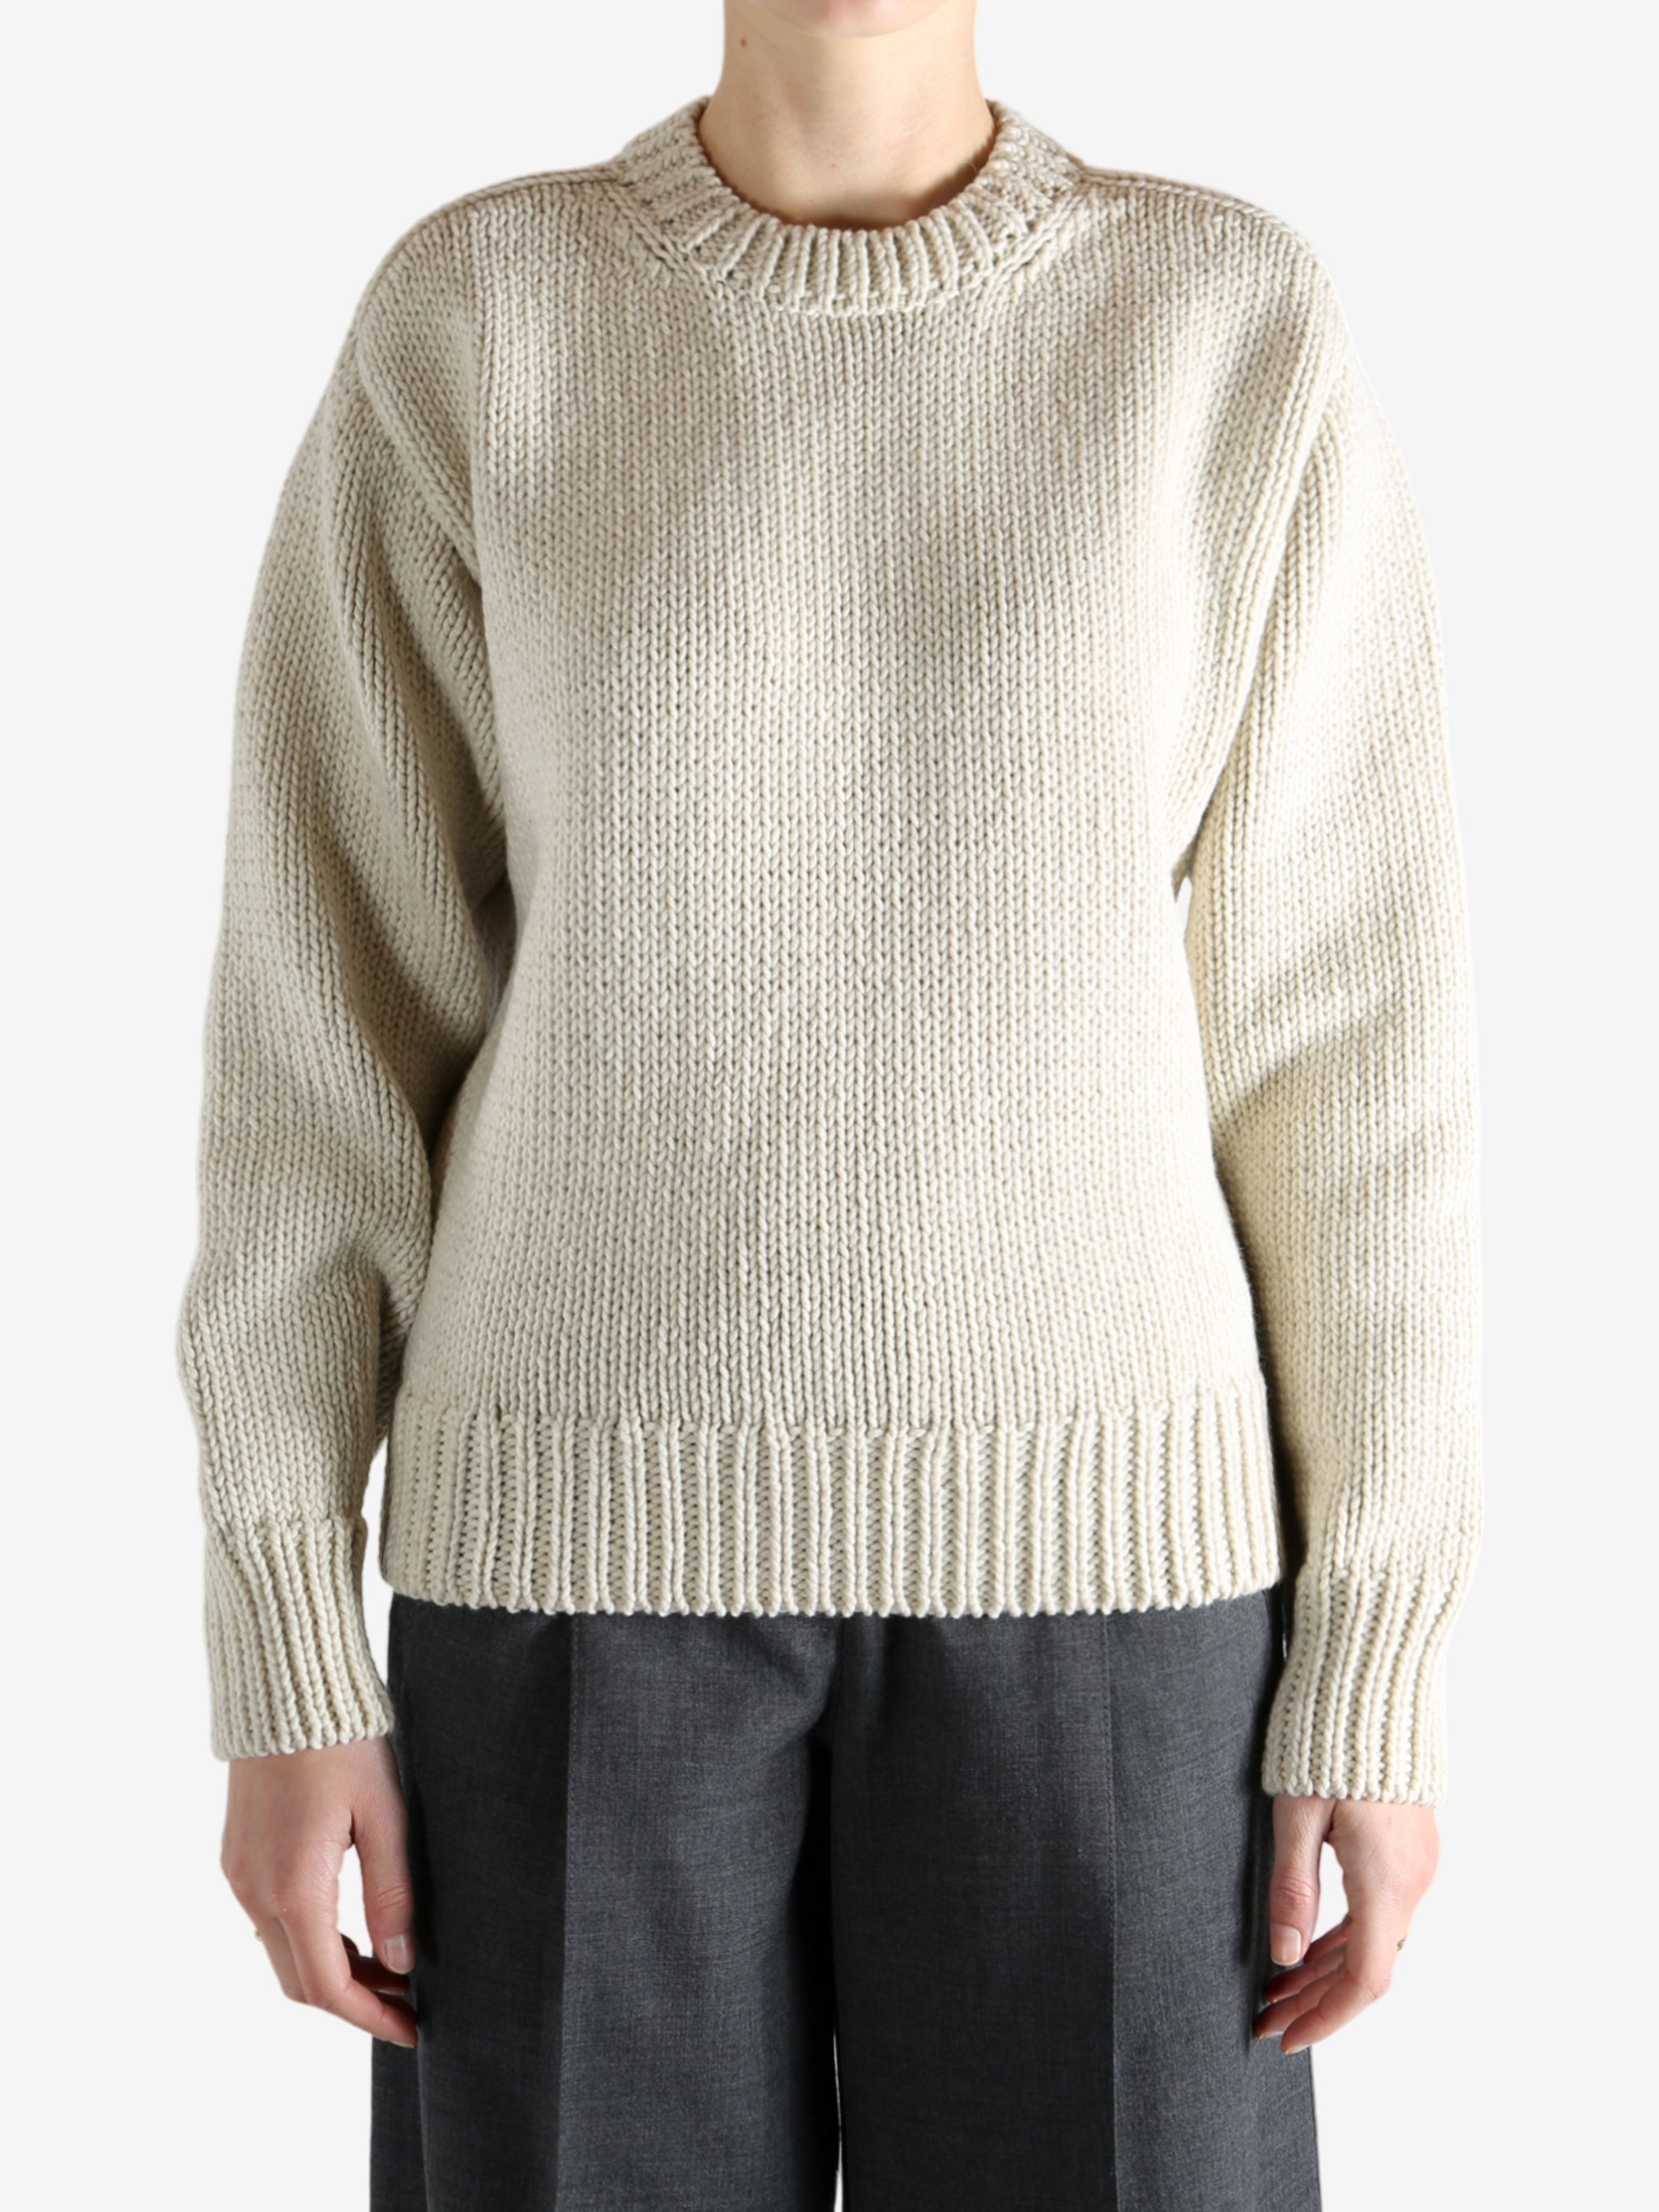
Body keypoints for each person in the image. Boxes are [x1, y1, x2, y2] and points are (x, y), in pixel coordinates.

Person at [175, 3, 1483, 2206]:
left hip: (1118, 1571)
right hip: (570, 1563)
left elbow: (1349, 1050)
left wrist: (1379, 1647)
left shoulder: (1222, 324)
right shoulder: (481, 316)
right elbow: (323, 1032)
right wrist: (286, 1641)